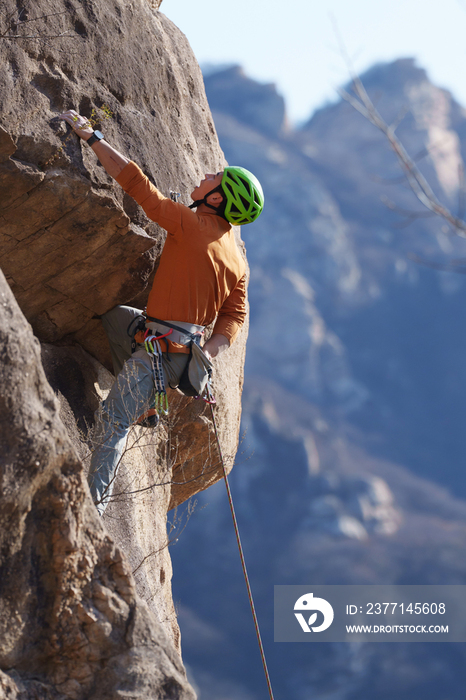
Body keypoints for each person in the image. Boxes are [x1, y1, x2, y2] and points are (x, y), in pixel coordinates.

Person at [59, 109, 264, 515]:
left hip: (162, 351)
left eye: (213, 179)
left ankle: (91, 511)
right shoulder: (237, 261)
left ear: (216, 198)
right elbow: (233, 318)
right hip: (176, 349)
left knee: (113, 421)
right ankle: (150, 406)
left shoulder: (191, 224)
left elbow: (140, 188)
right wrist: (213, 351)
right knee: (118, 318)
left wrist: (93, 137)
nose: (205, 175)